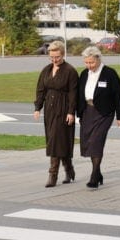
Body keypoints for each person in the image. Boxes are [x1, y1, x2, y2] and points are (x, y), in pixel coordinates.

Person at [77, 46, 120, 188]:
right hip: (88, 111)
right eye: (86, 63)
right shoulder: (84, 74)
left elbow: (118, 96)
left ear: (98, 59)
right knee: (88, 143)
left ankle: (94, 176)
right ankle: (98, 173)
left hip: (104, 113)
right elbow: (80, 94)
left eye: (91, 62)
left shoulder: (110, 74)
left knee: (96, 141)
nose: (89, 65)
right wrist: (78, 113)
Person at [33, 40, 79, 188]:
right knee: (58, 141)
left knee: (56, 141)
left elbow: (73, 94)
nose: (54, 60)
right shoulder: (46, 70)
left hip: (64, 109)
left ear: (63, 54)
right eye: (52, 57)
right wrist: (37, 107)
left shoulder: (70, 71)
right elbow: (41, 90)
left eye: (57, 57)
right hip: (50, 110)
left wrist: (71, 112)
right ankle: (69, 170)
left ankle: (53, 175)